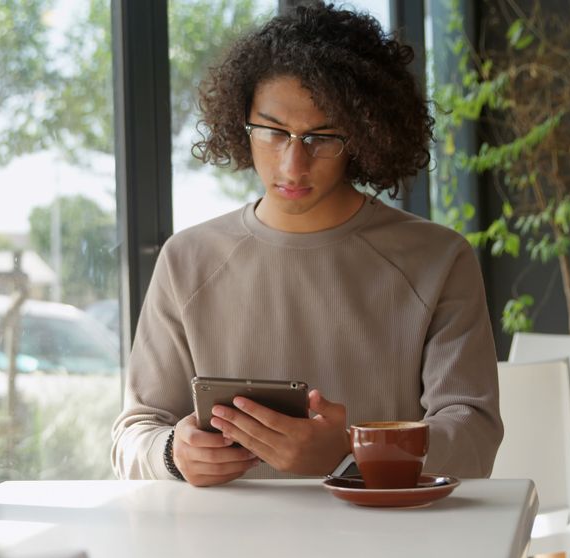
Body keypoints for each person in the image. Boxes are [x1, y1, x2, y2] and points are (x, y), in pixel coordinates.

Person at [110, 3, 502, 487]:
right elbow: (134, 433)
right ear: (242, 124)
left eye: (322, 136)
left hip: (385, 546)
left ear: (361, 135)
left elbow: (473, 436)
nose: (293, 164)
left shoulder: (438, 259)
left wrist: (347, 453)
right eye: (273, 132)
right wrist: (172, 454)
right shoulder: (187, 260)